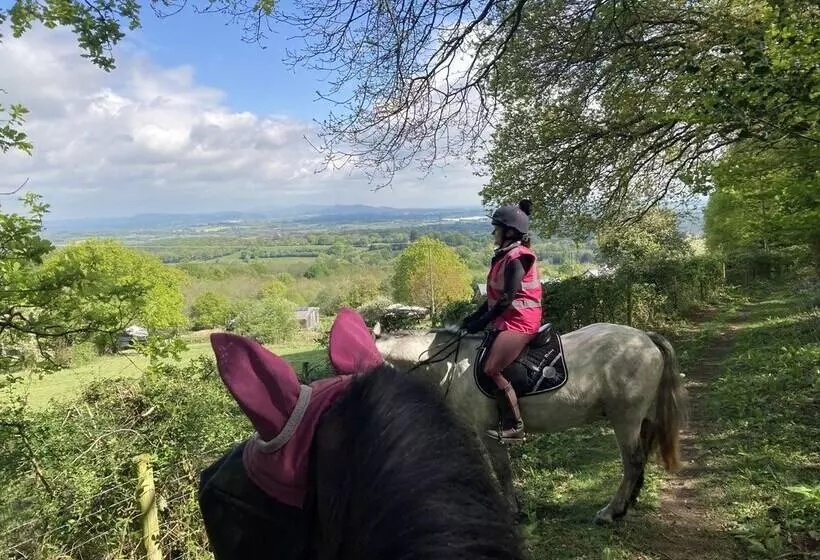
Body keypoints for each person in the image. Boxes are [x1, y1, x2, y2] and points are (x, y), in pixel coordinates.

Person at [461, 199, 542, 443]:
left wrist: (482, 321)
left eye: (496, 228)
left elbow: (507, 299)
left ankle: (515, 426)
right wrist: (470, 320)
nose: (493, 233)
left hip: (522, 321)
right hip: (509, 319)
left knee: (491, 368)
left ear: (508, 232)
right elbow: (492, 300)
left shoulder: (518, 258)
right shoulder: (504, 256)